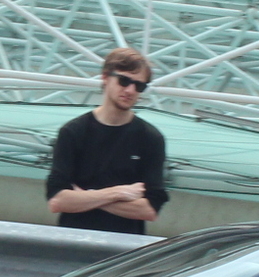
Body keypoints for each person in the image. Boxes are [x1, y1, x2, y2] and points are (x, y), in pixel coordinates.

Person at [46, 47, 169, 234]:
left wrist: (85, 197)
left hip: (124, 251)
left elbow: (149, 210)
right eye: (124, 81)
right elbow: (58, 201)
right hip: (73, 245)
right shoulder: (73, 132)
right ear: (105, 77)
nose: (130, 90)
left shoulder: (150, 139)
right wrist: (117, 193)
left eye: (139, 86)